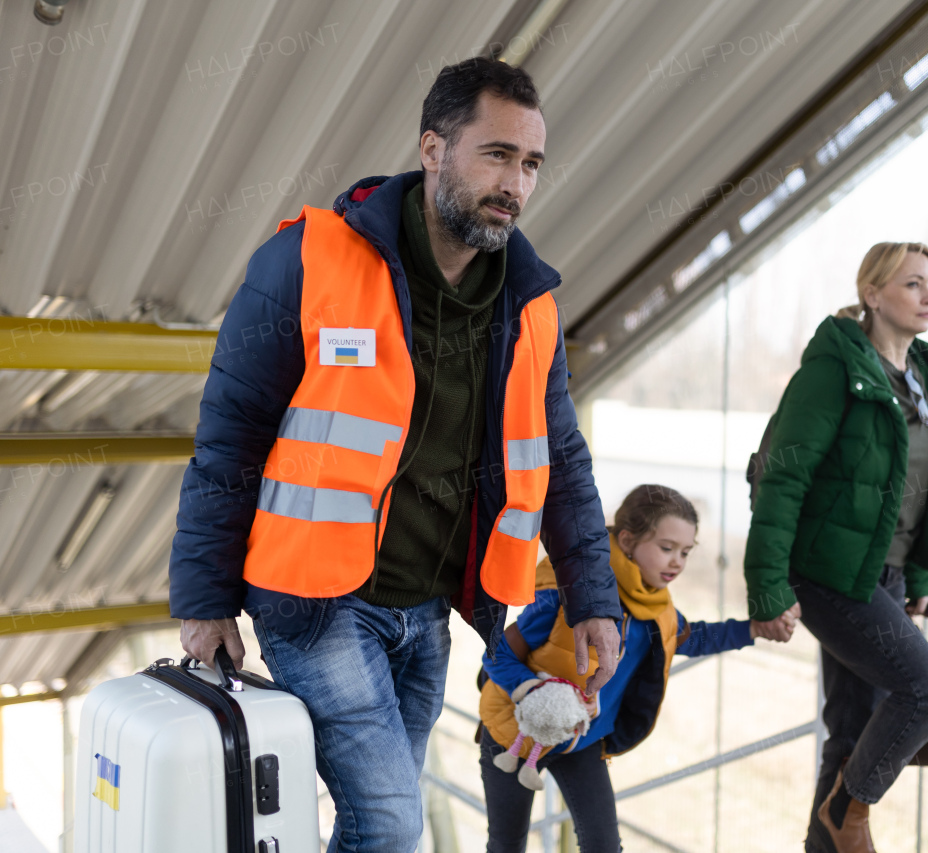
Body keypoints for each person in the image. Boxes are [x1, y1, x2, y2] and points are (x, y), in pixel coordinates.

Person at [168, 57, 624, 852]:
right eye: (496, 154)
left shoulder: (531, 303)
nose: (515, 182)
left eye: (531, 163)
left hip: (429, 612)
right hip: (313, 602)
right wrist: (203, 597)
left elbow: (563, 459)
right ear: (432, 148)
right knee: (389, 823)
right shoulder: (309, 260)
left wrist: (594, 596)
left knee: (377, 824)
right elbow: (231, 434)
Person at [743, 242, 928, 853]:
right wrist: (768, 586)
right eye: (913, 284)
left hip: (883, 571)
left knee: (850, 730)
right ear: (872, 293)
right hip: (829, 572)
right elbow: (783, 476)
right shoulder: (834, 367)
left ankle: (829, 837)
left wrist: (919, 577)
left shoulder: (926, 377)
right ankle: (849, 809)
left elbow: (926, 486)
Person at [477, 484, 801, 852]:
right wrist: (531, 689)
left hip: (584, 739)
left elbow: (692, 639)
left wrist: (754, 629)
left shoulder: (658, 613)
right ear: (627, 540)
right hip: (512, 731)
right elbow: (496, 653)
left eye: (685, 552)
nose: (677, 562)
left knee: (604, 845)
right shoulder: (569, 592)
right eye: (666, 549)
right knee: (507, 844)